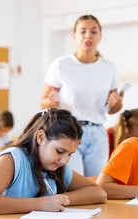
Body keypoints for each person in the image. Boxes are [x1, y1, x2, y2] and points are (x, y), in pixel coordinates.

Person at [0, 108, 107, 219]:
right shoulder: (12, 159)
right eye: (60, 151)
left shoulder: (56, 167)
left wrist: (59, 200)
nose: (65, 160)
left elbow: (99, 193)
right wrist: (41, 204)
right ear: (41, 137)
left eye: (70, 154)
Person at [40, 14, 123, 177]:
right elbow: (43, 102)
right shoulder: (61, 64)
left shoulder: (109, 67)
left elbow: (114, 108)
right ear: (74, 36)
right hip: (68, 129)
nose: (88, 36)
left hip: (97, 132)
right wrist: (51, 101)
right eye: (83, 31)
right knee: (73, 181)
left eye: (93, 31)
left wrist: (116, 104)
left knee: (95, 183)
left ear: (100, 36)